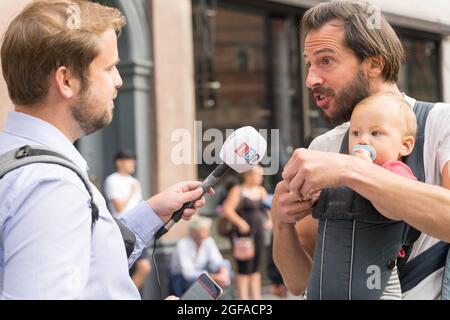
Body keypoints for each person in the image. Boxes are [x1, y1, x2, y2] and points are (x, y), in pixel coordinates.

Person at [0, 0, 212, 299]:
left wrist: (150, 213)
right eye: (109, 67)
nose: (118, 80)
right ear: (66, 80)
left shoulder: (15, 157)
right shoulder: (52, 187)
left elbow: (90, 263)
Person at [272, 0, 450, 300]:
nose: (310, 79)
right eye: (308, 64)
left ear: (374, 64)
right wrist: (280, 222)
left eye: (326, 61)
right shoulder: (324, 147)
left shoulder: (439, 123)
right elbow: (299, 281)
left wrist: (351, 170)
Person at [309, 93, 418, 300]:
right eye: (355, 133)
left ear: (405, 145)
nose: (362, 140)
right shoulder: (342, 173)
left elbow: (395, 207)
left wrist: (363, 173)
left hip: (378, 282)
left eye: (376, 133)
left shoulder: (396, 172)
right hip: (334, 276)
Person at [104, 150, 151, 291]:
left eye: (133, 160)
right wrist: (131, 192)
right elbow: (119, 207)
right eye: (129, 160)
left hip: (138, 229)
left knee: (144, 267)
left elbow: (138, 204)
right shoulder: (112, 180)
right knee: (122, 270)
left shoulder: (135, 182)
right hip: (121, 229)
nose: (133, 164)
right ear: (119, 162)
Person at [223, 165, 272, 300]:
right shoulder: (238, 190)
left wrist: (270, 220)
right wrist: (240, 223)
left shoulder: (261, 190)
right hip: (243, 236)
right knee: (244, 268)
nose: (261, 178)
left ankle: (256, 298)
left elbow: (269, 208)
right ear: (248, 175)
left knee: (256, 268)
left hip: (258, 233)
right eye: (258, 175)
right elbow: (228, 209)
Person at [169, 216, 231, 296]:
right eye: (205, 230)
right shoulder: (183, 244)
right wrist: (214, 277)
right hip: (181, 279)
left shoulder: (208, 241)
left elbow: (218, 261)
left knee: (228, 274)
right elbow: (188, 274)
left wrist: (223, 272)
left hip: (201, 275)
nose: (209, 232)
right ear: (195, 232)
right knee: (207, 283)